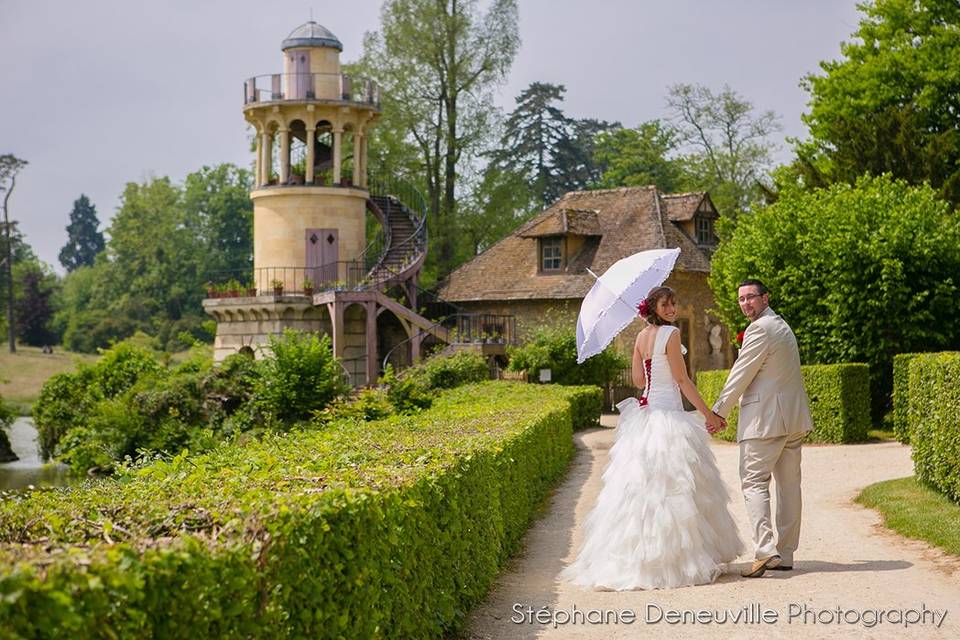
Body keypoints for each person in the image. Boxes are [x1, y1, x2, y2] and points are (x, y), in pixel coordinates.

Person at [560, 286, 745, 590]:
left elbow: (637, 381)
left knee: (640, 489)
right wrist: (709, 415)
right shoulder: (671, 335)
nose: (672, 308)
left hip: (644, 415)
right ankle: (675, 562)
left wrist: (647, 355)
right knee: (677, 489)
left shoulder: (640, 337)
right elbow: (682, 380)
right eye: (666, 304)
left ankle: (636, 560)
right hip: (667, 414)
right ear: (654, 307)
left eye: (674, 303)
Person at [710, 279, 813, 578]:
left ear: (765, 298)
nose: (745, 304)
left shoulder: (759, 329)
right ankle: (787, 552)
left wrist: (718, 411)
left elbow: (740, 374)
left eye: (751, 298)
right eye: (741, 299)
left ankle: (766, 549)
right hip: (792, 420)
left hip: (766, 421)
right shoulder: (781, 325)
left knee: (753, 482)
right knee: (789, 486)